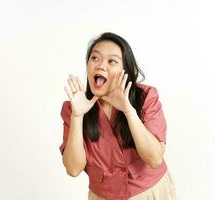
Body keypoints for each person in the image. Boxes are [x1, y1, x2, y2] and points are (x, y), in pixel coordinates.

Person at [59, 32, 176, 200]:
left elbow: (155, 158)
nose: (100, 66)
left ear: (125, 70)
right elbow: (73, 169)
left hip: (151, 193)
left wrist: (129, 111)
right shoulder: (74, 108)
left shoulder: (146, 97)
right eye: (95, 58)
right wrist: (77, 117)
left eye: (111, 61)